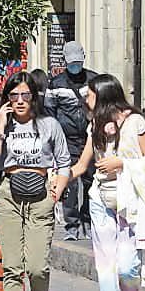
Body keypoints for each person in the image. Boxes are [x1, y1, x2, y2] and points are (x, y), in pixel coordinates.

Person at [70, 73, 145, 291]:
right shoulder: (95, 124)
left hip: (129, 204)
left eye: (90, 94)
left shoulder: (135, 123)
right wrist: (58, 180)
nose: (86, 99)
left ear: (104, 95)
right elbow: (82, 164)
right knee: (106, 265)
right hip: (101, 200)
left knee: (128, 267)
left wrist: (121, 164)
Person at [0, 71, 72, 291]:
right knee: (11, 266)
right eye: (13, 96)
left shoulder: (49, 125)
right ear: (7, 98)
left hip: (40, 196)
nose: (19, 101)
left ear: (34, 97)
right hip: (9, 195)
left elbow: (64, 162)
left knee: (36, 266)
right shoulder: (0, 125)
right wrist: (0, 124)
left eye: (25, 95)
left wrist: (57, 189)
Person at [48, 42, 97, 239]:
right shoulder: (56, 84)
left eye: (78, 62)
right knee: (69, 182)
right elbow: (49, 113)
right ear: (65, 61)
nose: (75, 66)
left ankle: (87, 219)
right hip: (66, 140)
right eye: (71, 62)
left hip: (89, 138)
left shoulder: (93, 80)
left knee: (91, 181)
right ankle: (72, 225)